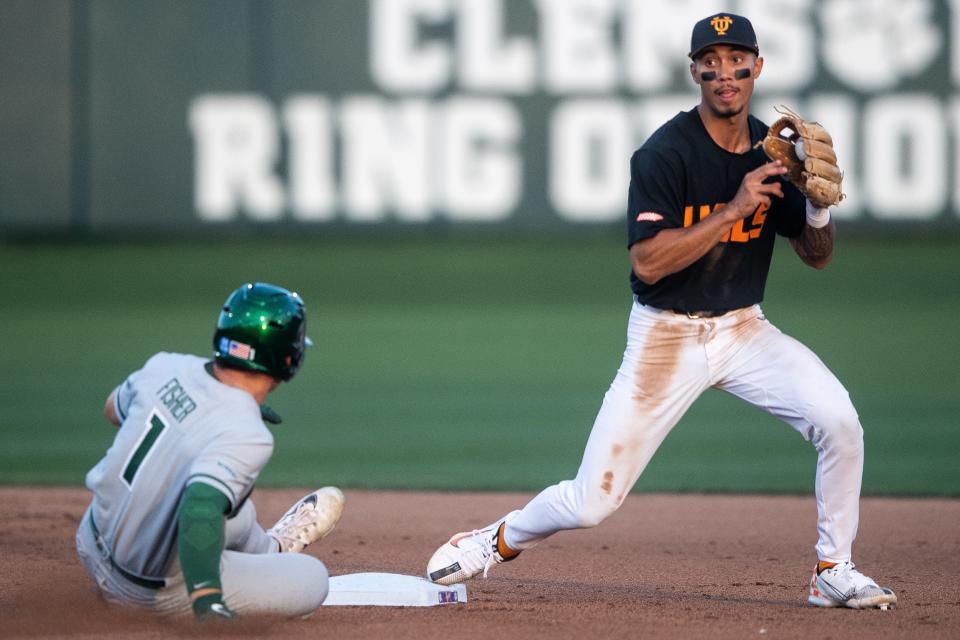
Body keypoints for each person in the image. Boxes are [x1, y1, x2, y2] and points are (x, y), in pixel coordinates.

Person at [426, 13, 897, 610]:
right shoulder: (664, 154)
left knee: (839, 421)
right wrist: (730, 211)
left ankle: (833, 568)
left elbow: (816, 257)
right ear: (695, 71)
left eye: (737, 59)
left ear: (758, 66)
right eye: (712, 61)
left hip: (744, 328)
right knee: (592, 502)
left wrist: (818, 208)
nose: (725, 73)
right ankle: (495, 540)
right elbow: (648, 263)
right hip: (666, 336)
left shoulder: (771, 150)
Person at [76, 282, 345, 619]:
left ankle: (270, 547)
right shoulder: (247, 435)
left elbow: (113, 410)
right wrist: (207, 599)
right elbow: (200, 508)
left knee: (233, 508)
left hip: (91, 544)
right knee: (312, 578)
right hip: (146, 591)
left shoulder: (164, 366)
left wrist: (201, 417)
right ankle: (259, 561)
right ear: (288, 359)